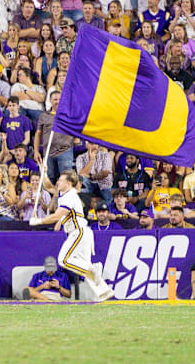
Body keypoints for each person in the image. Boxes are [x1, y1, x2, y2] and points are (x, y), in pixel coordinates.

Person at [30, 170, 114, 302]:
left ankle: (94, 268)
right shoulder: (65, 193)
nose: (58, 182)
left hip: (78, 232)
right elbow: (49, 186)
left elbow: (57, 215)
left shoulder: (70, 196)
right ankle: (104, 291)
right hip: (82, 232)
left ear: (68, 183)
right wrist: (44, 172)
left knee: (63, 260)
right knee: (83, 267)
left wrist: (38, 221)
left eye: (61, 180)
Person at [34, 92, 74, 183]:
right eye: (55, 99)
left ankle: (64, 197)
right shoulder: (43, 115)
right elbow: (38, 133)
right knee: (48, 178)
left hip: (65, 150)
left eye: (60, 99)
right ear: (50, 101)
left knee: (66, 178)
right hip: (48, 152)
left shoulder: (69, 114)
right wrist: (36, 151)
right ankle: (49, 197)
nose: (58, 102)